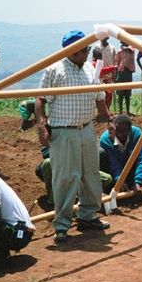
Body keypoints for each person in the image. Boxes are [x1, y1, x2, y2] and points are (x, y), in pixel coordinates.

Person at [35, 30, 112, 245]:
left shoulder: (89, 68)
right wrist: (42, 127)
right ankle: (62, 225)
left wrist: (108, 118)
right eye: (81, 51)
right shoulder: (55, 70)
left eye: (87, 50)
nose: (85, 54)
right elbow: (40, 100)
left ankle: (88, 216)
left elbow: (98, 97)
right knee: (66, 178)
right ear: (69, 51)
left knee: (90, 175)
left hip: (86, 128)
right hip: (64, 130)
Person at [98, 114, 142, 194]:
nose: (120, 134)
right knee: (100, 152)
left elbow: (141, 158)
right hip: (112, 174)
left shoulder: (136, 134)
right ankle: (109, 189)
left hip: (129, 171)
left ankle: (132, 186)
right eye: (117, 131)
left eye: (123, 132)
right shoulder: (106, 138)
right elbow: (113, 164)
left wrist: (138, 181)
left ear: (129, 130)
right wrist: (119, 180)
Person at [114, 41, 136, 115]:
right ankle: (120, 111)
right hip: (121, 72)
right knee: (120, 94)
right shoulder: (119, 51)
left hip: (128, 72)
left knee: (127, 93)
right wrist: (115, 76)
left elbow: (130, 49)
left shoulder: (131, 48)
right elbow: (116, 63)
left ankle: (127, 111)